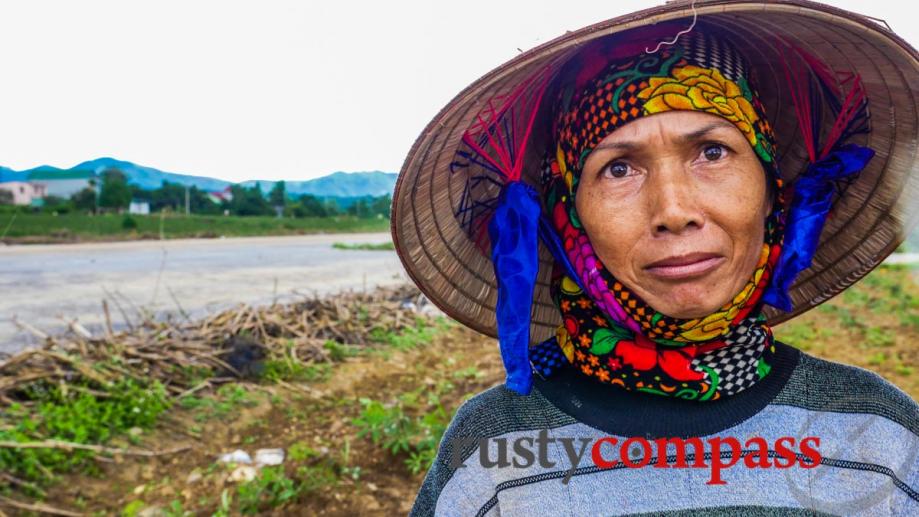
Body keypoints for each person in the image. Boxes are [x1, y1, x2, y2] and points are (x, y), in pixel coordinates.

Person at [390, 1, 919, 515]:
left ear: (770, 191)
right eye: (619, 168)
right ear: (568, 214)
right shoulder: (495, 454)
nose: (674, 210)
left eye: (712, 152)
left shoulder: (879, 436)